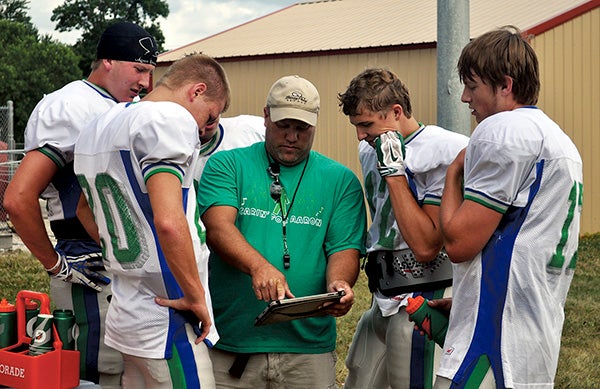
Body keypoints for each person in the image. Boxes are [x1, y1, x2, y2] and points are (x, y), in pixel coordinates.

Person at [3, 21, 157, 386]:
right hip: (87, 263)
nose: (146, 83)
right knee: (93, 375)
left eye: (151, 72)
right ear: (107, 61)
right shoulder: (70, 106)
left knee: (129, 374)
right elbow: (18, 198)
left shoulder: (122, 106)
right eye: (139, 69)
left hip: (127, 265)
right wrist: (56, 266)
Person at [197, 75, 367, 388]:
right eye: (283, 125)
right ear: (266, 116)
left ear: (315, 125)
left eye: (302, 128)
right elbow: (219, 228)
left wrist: (339, 283)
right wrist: (258, 267)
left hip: (308, 350)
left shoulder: (340, 181)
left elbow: (344, 248)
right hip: (234, 347)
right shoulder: (227, 165)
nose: (291, 136)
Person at [437, 26, 583, 388]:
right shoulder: (559, 140)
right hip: (534, 332)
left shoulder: (502, 129)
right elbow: (522, 241)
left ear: (505, 85)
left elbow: (457, 245)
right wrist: (467, 299)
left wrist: (453, 173)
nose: (465, 98)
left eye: (472, 86)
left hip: (493, 338)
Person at [73, 53, 231, 388]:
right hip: (167, 314)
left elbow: (84, 211)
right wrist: (193, 294)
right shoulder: (168, 119)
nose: (204, 129)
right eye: (210, 115)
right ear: (197, 91)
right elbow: (170, 223)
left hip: (127, 307)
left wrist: (125, 257)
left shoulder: (99, 124)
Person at [338, 68, 469, 389]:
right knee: (359, 379)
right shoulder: (369, 148)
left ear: (396, 112)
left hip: (424, 293)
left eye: (366, 124)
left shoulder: (443, 149)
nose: (360, 135)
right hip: (381, 296)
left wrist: (396, 172)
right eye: (356, 125)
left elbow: (427, 246)